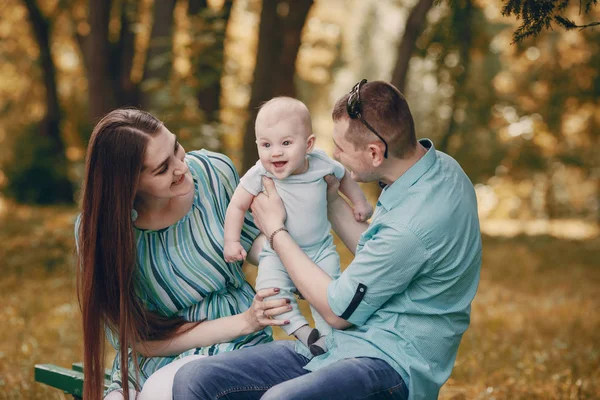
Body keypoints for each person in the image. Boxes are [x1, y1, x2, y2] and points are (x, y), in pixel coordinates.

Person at [172, 80, 482, 400]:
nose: (333, 155)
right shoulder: (437, 168)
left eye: (341, 148)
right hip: (339, 343)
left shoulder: (413, 225)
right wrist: (333, 200)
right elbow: (381, 251)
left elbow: (337, 311)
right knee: (195, 379)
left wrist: (275, 231)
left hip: (389, 362)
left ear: (375, 153)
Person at [76, 108, 292, 400]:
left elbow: (252, 239)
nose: (182, 167)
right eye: (163, 168)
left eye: (177, 148)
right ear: (128, 185)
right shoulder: (102, 231)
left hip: (235, 339)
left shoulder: (215, 173)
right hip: (158, 350)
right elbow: (138, 340)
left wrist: (289, 256)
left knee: (161, 392)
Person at [223, 97, 372, 355]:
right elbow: (236, 206)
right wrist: (232, 241)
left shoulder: (321, 164)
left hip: (320, 250)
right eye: (266, 145)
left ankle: (328, 338)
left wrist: (359, 202)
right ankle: (304, 332)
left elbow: (344, 177)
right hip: (276, 254)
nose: (275, 152)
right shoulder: (260, 173)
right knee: (269, 294)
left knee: (331, 297)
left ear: (309, 144)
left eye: (286, 143)